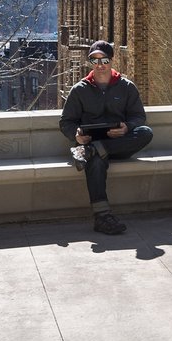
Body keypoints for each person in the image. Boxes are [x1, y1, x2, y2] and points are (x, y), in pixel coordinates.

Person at [58, 40, 152, 235]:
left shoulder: (126, 87)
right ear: (90, 62)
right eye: (95, 60)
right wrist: (76, 134)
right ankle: (102, 217)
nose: (100, 65)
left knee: (145, 132)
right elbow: (66, 122)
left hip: (119, 145)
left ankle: (94, 149)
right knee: (95, 160)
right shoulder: (79, 90)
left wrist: (127, 127)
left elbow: (139, 117)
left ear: (112, 61)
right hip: (91, 146)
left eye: (104, 60)